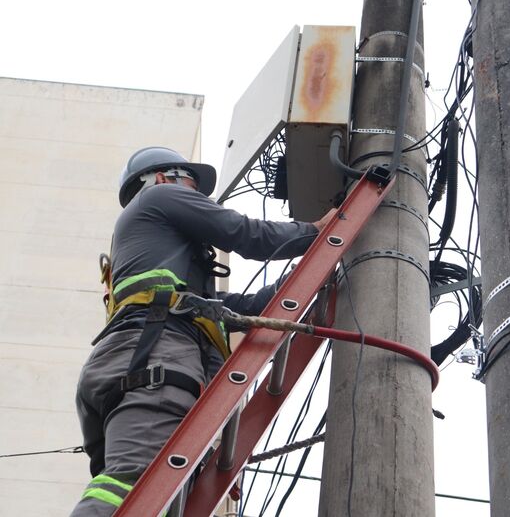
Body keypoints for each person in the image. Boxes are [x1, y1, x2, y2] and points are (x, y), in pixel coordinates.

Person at [70, 147, 335, 516]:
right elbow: (244, 233)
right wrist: (318, 234)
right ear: (162, 178)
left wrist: (311, 276)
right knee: (136, 487)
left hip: (134, 361)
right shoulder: (160, 196)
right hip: (152, 357)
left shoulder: (158, 260)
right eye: (193, 185)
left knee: (152, 497)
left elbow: (239, 311)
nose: (199, 197)